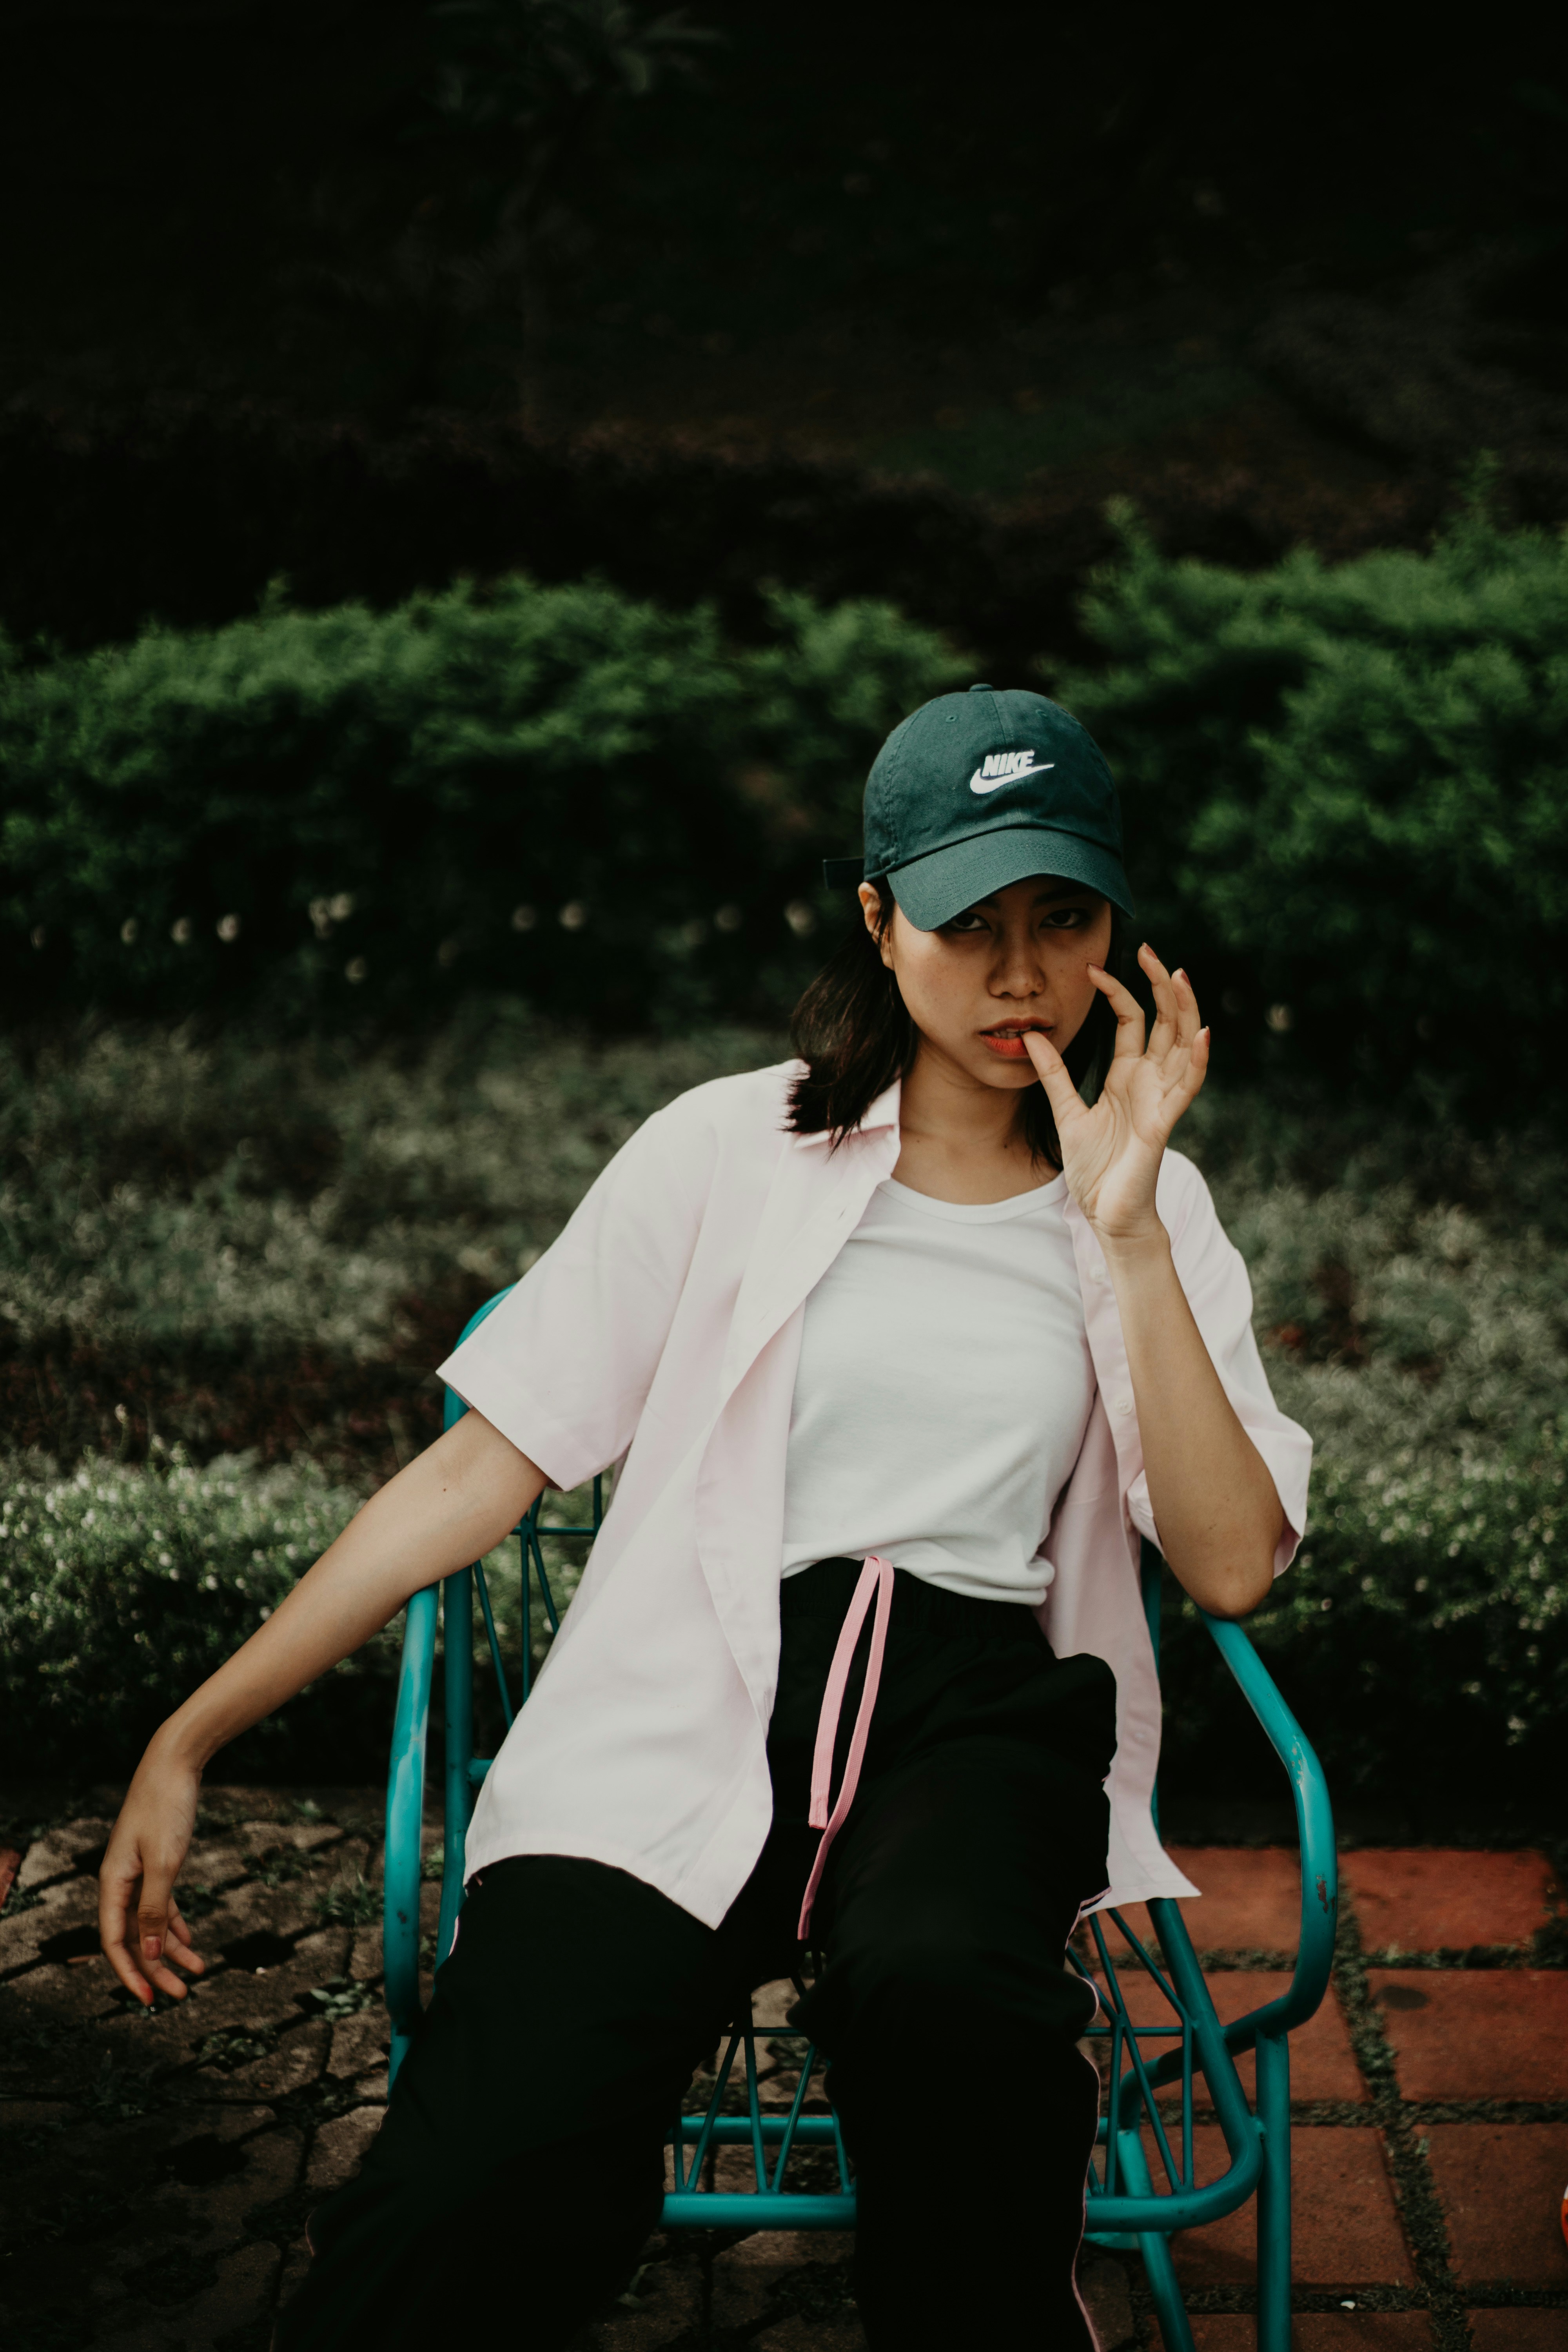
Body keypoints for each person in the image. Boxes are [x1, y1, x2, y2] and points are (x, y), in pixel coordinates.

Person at [99, 684, 1310, 2349]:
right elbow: (481, 1466)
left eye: (1065, 918)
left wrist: (1129, 1235)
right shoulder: (727, 1149)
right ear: (880, 921)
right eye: (970, 924)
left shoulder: (1149, 1199)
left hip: (970, 1731)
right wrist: (190, 1733)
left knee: (949, 2001)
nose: (1020, 976)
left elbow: (1232, 1566)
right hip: (690, 1698)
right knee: (478, 2179)